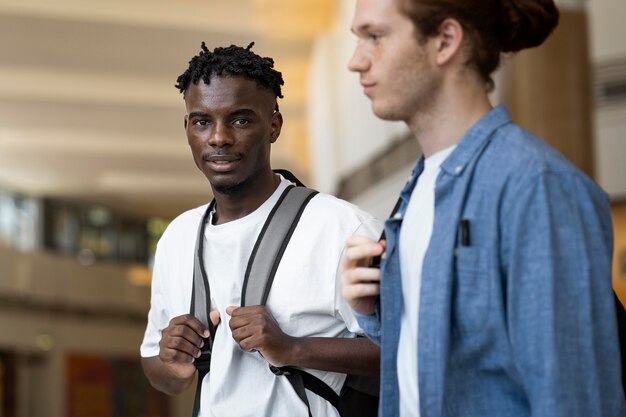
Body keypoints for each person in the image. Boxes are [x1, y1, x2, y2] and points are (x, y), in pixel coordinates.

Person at [341, 0, 626, 416]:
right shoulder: (417, 190)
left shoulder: (536, 185)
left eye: (375, 36)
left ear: (445, 41)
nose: (355, 61)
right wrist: (374, 313)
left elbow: (575, 399)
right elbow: (448, 368)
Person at [140, 42, 380, 417]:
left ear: (273, 125)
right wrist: (173, 360)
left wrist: (292, 348)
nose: (219, 138)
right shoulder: (178, 237)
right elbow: (161, 374)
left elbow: (409, 351)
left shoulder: (342, 228)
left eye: (240, 120)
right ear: (187, 128)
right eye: (203, 121)